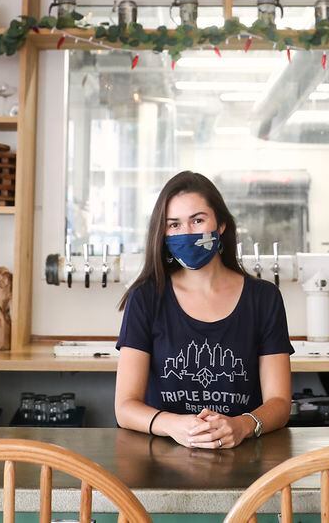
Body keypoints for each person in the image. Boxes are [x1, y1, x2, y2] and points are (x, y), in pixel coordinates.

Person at [114, 171, 293, 448]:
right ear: (162, 233)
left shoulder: (264, 298)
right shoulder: (146, 298)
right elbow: (125, 407)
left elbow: (280, 403)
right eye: (174, 225)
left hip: (246, 457)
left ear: (220, 224)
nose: (186, 233)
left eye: (197, 220)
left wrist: (241, 426)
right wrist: (175, 425)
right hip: (162, 459)